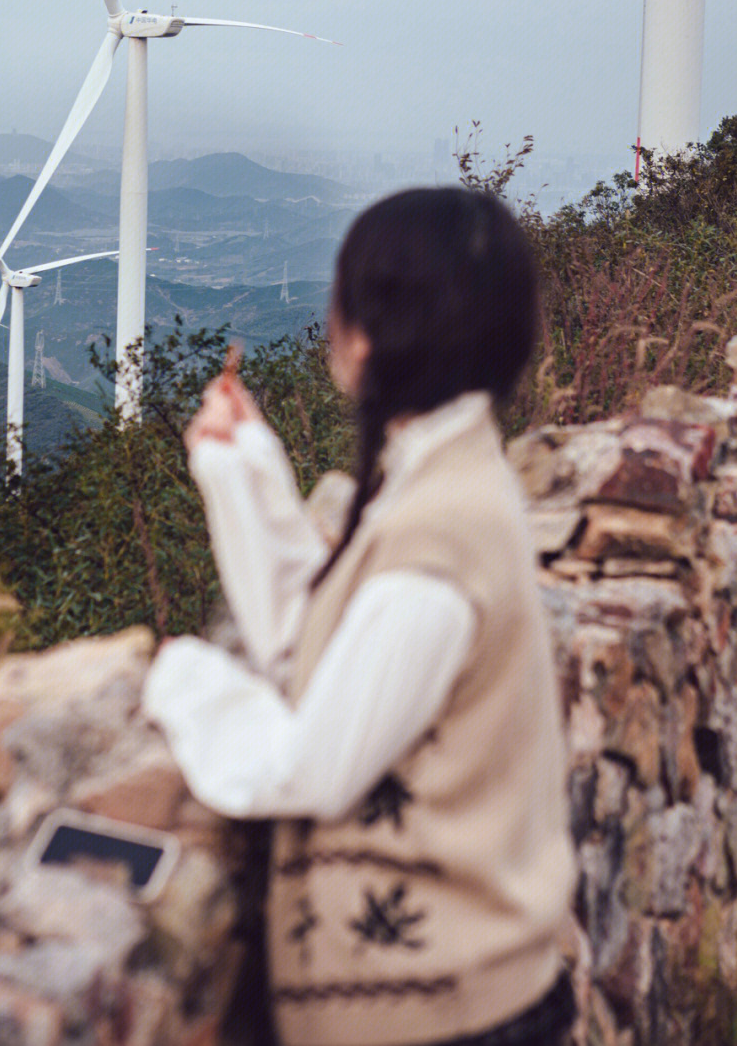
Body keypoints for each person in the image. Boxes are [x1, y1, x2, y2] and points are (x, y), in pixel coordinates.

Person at [143, 187, 577, 1046]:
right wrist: (243, 471)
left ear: (370, 333)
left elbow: (313, 763)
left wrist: (182, 681)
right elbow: (327, 642)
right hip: (458, 994)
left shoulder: (441, 541)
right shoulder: (445, 476)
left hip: (447, 1012)